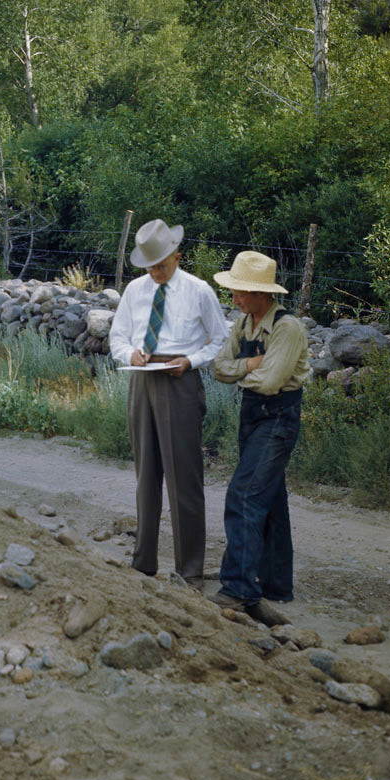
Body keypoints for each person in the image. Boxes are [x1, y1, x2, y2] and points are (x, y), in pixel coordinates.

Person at [108, 219, 229, 585]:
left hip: (180, 381)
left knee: (184, 478)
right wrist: (131, 355)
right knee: (146, 476)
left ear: (178, 256)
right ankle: (144, 562)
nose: (156, 272)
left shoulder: (199, 290)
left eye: (161, 264)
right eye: (150, 266)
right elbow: (117, 337)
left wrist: (191, 361)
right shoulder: (134, 290)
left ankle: (189, 569)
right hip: (142, 381)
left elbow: (221, 340)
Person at [210, 251, 310, 627]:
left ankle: (238, 588)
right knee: (268, 497)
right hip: (252, 417)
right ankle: (276, 583)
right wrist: (252, 365)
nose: (234, 298)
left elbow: (270, 383)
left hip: (278, 417)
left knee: (245, 495)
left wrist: (244, 371)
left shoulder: (287, 328)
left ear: (262, 294)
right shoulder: (244, 323)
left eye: (241, 292)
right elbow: (219, 368)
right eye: (234, 291)